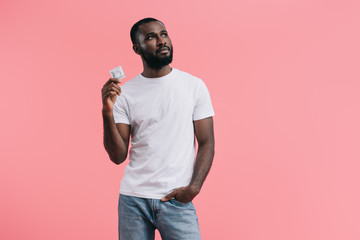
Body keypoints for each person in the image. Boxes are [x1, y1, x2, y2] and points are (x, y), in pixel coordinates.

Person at [101, 17, 215, 240]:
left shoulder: (193, 86)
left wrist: (194, 188)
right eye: (151, 37)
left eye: (164, 34)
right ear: (137, 48)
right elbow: (117, 156)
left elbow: (207, 142)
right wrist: (107, 113)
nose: (161, 41)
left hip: (175, 200)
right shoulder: (127, 94)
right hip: (133, 200)